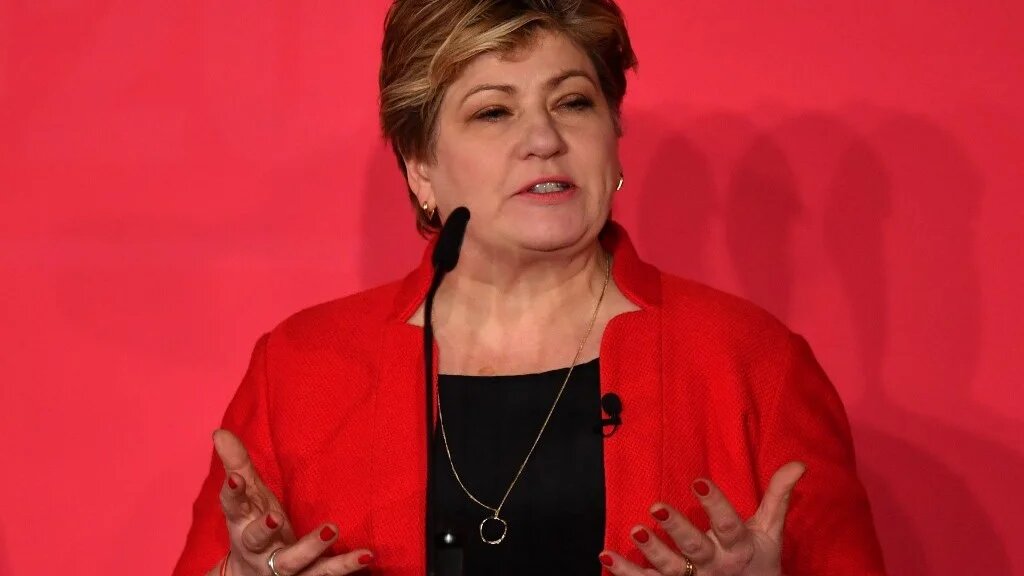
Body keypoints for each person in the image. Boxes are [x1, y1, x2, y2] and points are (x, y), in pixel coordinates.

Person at [173, 1, 887, 575]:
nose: (543, 137)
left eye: (573, 102)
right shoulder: (301, 367)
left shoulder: (751, 361)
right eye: (494, 111)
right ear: (421, 166)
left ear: (613, 135)